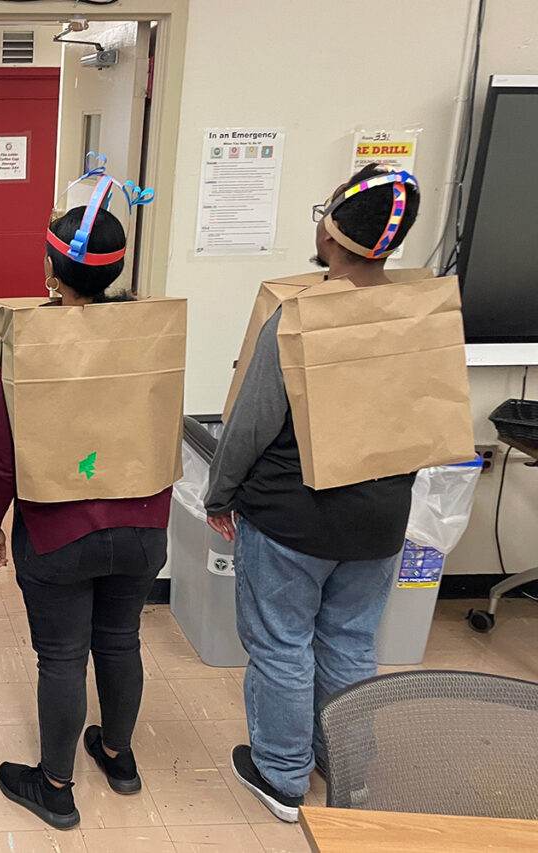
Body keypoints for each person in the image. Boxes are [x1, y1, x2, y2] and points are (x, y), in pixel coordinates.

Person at [205, 164, 422, 823]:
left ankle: (281, 776)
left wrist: (220, 494)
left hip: (291, 519)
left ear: (331, 230)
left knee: (281, 642)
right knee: (351, 639)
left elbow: (250, 422)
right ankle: (348, 766)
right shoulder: (424, 320)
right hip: (379, 520)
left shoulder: (298, 319)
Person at [0, 175, 169, 831]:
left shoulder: (31, 339)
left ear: (52, 268)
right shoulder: (151, 337)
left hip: (59, 531)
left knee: (62, 655)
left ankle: (55, 786)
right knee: (121, 638)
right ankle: (118, 757)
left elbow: (4, 449)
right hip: (143, 524)